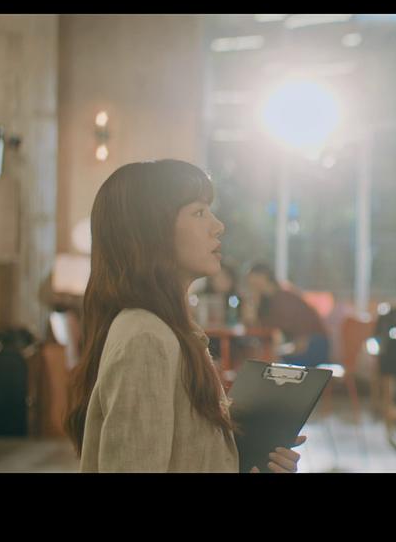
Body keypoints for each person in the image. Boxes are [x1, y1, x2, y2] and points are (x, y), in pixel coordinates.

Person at [64, 159, 305, 473]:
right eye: (199, 212)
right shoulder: (146, 339)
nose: (218, 226)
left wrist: (242, 456)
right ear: (151, 232)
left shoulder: (167, 330)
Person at [244, 263, 330, 368]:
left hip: (313, 344)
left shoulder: (284, 298)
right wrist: (254, 303)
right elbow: (256, 328)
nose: (252, 287)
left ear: (264, 277)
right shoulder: (265, 302)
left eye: (254, 282)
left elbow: (301, 337)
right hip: (295, 345)